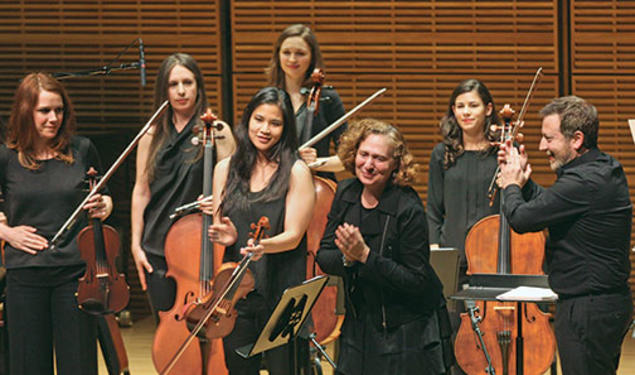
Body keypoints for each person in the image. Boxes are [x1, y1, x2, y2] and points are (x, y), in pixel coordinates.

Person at [498, 96, 633, 375]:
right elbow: (554, 205)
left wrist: (511, 183)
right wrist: (523, 182)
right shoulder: (604, 168)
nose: (541, 146)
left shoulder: (583, 181)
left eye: (549, 138)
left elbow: (522, 220)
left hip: (587, 310)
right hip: (603, 305)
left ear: (576, 139)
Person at [316, 119, 452, 375]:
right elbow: (324, 255)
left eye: (379, 159)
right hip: (360, 324)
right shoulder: (346, 193)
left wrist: (365, 256)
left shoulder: (407, 207)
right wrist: (349, 259)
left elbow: (416, 280)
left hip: (407, 329)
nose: (368, 165)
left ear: (395, 165)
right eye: (363, 154)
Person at [0, 72, 113, 374]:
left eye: (59, 110)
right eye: (44, 111)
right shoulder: (7, 158)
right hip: (24, 275)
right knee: (28, 366)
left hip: (74, 274)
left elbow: (105, 198)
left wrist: (104, 205)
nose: (54, 118)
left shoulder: (82, 149)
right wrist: (7, 232)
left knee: (78, 364)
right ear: (26, 111)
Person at [200, 87, 315, 374]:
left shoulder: (296, 171)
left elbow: (294, 235)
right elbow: (223, 227)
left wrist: (265, 246)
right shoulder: (225, 169)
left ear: (286, 127)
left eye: (275, 123)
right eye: (258, 119)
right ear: (247, 120)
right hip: (237, 297)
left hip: (281, 292)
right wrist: (228, 236)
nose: (265, 129)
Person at [130, 53, 235, 316]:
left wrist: (219, 201)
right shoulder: (151, 135)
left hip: (201, 245)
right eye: (173, 84)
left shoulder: (218, 131)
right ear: (163, 90)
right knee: (168, 324)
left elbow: (235, 187)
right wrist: (135, 243)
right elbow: (141, 190)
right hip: (157, 245)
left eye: (187, 82)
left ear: (198, 86)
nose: (181, 91)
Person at [426, 79, 501, 286]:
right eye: (460, 106)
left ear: (488, 109)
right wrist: (434, 248)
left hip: (493, 252)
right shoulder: (441, 154)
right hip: (452, 250)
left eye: (473, 105)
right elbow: (433, 208)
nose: (466, 112)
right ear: (453, 111)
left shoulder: (501, 152)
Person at [266, 23, 346, 178]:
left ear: (312, 57)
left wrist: (318, 162)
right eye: (286, 52)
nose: (292, 59)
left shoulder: (327, 99)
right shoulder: (268, 98)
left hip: (318, 184)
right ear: (278, 55)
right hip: (275, 184)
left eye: (300, 53)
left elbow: (347, 157)